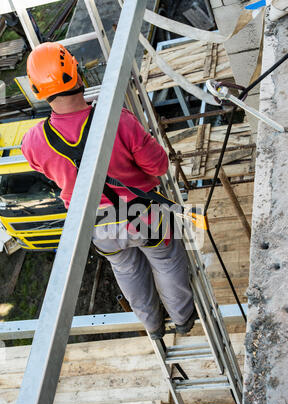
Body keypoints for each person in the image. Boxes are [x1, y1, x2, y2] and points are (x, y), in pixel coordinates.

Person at [22, 42, 197, 339]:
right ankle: (182, 318)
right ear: (77, 74)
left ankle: (153, 326)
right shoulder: (117, 119)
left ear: (38, 90)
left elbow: (48, 171)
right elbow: (158, 167)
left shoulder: (33, 141)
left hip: (96, 223)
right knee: (166, 261)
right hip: (143, 214)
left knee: (127, 270)